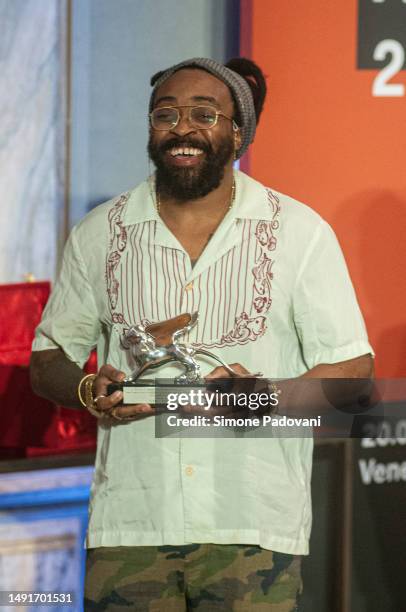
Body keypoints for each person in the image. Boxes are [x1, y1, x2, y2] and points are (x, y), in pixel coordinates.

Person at [30, 57, 373, 611]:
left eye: (204, 114)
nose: (182, 128)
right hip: (131, 527)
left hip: (253, 527)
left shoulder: (299, 233)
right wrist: (89, 389)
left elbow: (354, 382)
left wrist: (264, 399)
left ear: (238, 132)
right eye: (165, 115)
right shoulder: (100, 233)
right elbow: (48, 358)